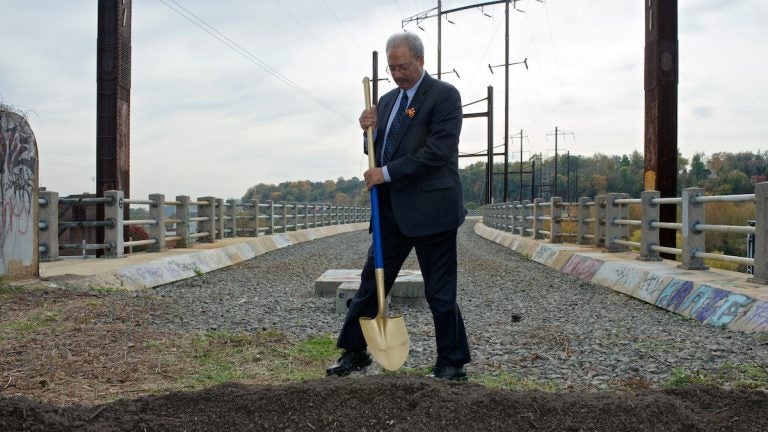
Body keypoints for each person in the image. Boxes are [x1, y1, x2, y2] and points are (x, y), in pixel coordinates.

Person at [326, 32, 470, 381]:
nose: (398, 74)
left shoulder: (444, 96)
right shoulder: (387, 102)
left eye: (404, 66)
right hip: (391, 211)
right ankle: (356, 352)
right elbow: (375, 152)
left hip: (432, 210)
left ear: (421, 61)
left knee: (439, 291)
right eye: (392, 68)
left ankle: (451, 363)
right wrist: (366, 132)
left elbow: (438, 152)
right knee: (370, 283)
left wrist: (385, 173)